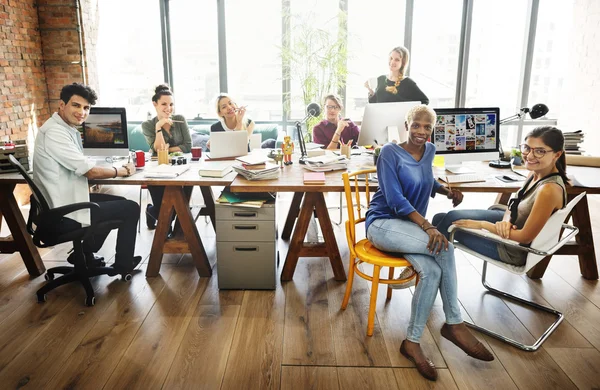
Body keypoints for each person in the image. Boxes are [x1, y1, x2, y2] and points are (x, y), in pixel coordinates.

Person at [365, 104, 493, 381]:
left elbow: (426, 178)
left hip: (409, 227)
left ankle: (411, 342)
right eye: (416, 125)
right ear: (407, 124)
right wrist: (428, 225)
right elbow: (396, 199)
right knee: (444, 246)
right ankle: (455, 323)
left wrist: (444, 189)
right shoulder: (388, 153)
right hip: (383, 225)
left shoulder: (430, 151)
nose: (421, 132)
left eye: (427, 127)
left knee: (432, 271)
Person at [33, 83, 141, 272]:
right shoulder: (55, 133)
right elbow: (90, 172)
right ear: (61, 104)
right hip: (62, 214)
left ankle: (83, 254)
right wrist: (121, 171)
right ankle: (123, 267)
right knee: (130, 208)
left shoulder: (64, 128)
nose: (82, 112)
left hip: (63, 203)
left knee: (120, 202)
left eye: (86, 108)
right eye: (76, 105)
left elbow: (78, 166)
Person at [433, 127, 568, 266]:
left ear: (557, 155)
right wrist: (506, 220)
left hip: (511, 249)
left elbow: (525, 237)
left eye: (540, 151)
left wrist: (482, 225)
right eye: (527, 148)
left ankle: (431, 271)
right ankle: (432, 266)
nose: (530, 156)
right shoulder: (535, 173)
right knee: (440, 218)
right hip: (510, 225)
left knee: (446, 222)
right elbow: (513, 204)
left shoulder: (549, 190)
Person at [141, 84, 192, 229]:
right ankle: (155, 214)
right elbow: (158, 150)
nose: (168, 108)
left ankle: (172, 226)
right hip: (158, 169)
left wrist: (167, 149)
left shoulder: (180, 119)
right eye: (164, 104)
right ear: (155, 104)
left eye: (171, 104)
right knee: (165, 206)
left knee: (180, 204)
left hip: (181, 168)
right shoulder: (148, 125)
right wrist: (158, 128)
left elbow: (187, 146)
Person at [364, 46, 429, 105]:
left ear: (403, 63)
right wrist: (370, 89)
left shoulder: (408, 83)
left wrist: (407, 110)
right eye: (391, 58)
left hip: (400, 118)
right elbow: (374, 103)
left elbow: (425, 101)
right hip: (381, 118)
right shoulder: (380, 79)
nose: (392, 62)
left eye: (397, 60)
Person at [210, 93, 276, 149]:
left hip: (244, 160)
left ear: (235, 105)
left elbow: (242, 146)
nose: (229, 108)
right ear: (220, 113)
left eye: (230, 103)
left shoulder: (249, 123)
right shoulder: (215, 128)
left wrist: (239, 121)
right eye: (224, 107)